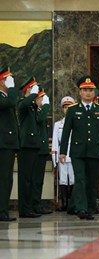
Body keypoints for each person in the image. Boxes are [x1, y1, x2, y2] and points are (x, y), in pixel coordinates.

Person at [59, 75, 99, 220]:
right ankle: (81, 209)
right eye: (85, 90)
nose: (88, 92)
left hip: (94, 151)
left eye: (90, 89)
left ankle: (90, 206)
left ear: (94, 92)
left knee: (91, 180)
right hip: (77, 151)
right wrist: (63, 151)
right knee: (81, 179)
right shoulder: (72, 110)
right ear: (80, 92)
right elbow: (66, 131)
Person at [17, 77, 42, 218]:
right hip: (26, 146)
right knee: (25, 180)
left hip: (33, 146)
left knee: (31, 179)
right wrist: (32, 95)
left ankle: (29, 207)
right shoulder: (22, 104)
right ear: (28, 90)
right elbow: (23, 104)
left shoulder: (32, 107)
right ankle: (24, 209)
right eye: (34, 90)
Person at [0, 67, 19, 221]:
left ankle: (3, 209)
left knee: (7, 178)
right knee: (4, 178)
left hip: (8, 143)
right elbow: (11, 102)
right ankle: (1, 211)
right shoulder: (3, 97)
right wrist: (12, 88)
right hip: (3, 143)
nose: (11, 82)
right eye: (8, 79)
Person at [52, 96, 76, 211]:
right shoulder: (58, 124)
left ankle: (72, 203)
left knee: (72, 179)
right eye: (65, 107)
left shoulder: (76, 123)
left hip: (74, 155)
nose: (67, 109)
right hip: (62, 155)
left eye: (69, 107)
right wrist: (54, 159)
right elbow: (55, 143)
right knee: (62, 179)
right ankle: (64, 203)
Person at [32, 87, 53, 214]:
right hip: (36, 150)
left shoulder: (39, 111)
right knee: (35, 180)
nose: (43, 101)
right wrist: (46, 106)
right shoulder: (35, 110)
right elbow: (39, 119)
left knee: (39, 180)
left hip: (42, 150)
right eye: (41, 98)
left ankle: (37, 204)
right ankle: (34, 204)